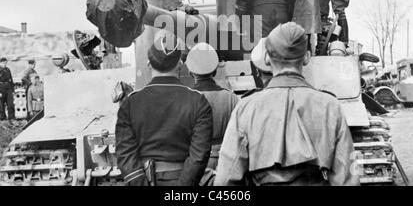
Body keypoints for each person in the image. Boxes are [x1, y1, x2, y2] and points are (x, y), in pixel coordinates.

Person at [215, 22, 360, 186]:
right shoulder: (330, 106)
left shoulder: (246, 107)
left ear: (267, 59)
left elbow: (225, 179)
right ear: (306, 57)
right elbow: (348, 179)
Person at [116, 34, 213, 186]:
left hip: (143, 180)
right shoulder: (198, 101)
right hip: (183, 181)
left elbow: (124, 152)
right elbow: (199, 155)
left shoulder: (130, 103)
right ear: (180, 64)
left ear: (149, 64)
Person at [185, 42, 239, 181]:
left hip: (196, 162)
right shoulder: (232, 98)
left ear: (190, 71)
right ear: (215, 70)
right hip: (227, 161)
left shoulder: (185, 99)